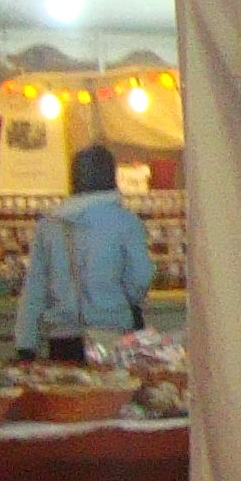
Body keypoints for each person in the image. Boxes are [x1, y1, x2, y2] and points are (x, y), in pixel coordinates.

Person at [13, 144, 154, 364]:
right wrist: (127, 302)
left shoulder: (48, 225)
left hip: (61, 338)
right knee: (109, 396)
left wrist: (25, 344)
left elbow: (34, 288)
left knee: (71, 395)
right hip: (111, 333)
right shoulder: (126, 222)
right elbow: (141, 276)